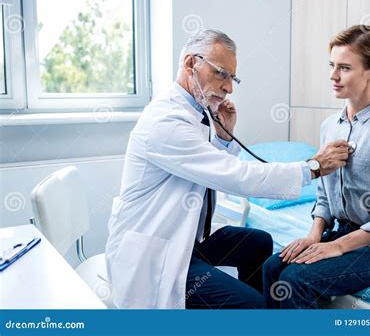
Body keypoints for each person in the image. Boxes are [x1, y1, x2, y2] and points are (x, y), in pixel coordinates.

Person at [105, 29, 349, 309]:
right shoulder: (166, 121)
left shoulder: (195, 113)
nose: (229, 87)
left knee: (259, 242)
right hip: (155, 254)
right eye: (221, 73)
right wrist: (313, 168)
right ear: (190, 64)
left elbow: (200, 167)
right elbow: (235, 176)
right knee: (250, 304)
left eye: (232, 78)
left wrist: (224, 135)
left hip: (183, 239)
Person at [263, 25, 370, 309]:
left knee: (296, 279)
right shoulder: (329, 127)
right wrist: (315, 235)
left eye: (345, 68)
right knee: (272, 269)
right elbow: (324, 196)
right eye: (332, 65)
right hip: (344, 232)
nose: (333, 76)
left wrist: (335, 247)